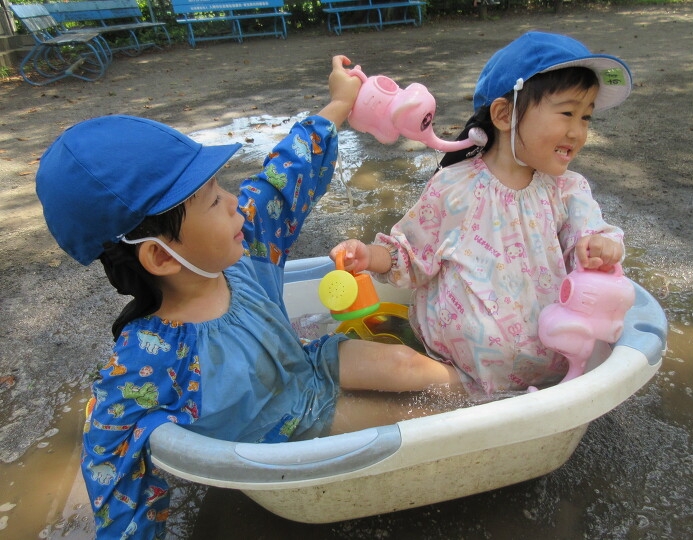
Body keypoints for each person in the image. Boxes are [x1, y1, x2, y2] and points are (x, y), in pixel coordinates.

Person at [35, 56, 460, 539]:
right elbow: (111, 458)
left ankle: (494, 396)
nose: (235, 202)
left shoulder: (244, 253)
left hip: (309, 367)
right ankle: (476, 427)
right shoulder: (149, 360)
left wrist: (340, 103)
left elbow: (283, 179)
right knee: (411, 421)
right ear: (160, 256)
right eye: (213, 199)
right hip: (291, 430)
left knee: (406, 364)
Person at [330, 32, 632, 396]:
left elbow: (592, 238)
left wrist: (601, 247)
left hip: (556, 377)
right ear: (504, 115)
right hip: (455, 374)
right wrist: (368, 256)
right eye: (567, 113)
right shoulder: (454, 187)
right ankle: (308, 375)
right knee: (397, 366)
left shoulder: (568, 190)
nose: (578, 131)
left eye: (586, 117)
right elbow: (409, 254)